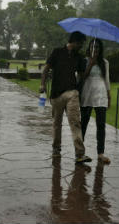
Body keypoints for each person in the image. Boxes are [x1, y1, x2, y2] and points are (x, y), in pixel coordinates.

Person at [40, 31, 92, 164]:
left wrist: (91, 63)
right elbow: (46, 69)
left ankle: (80, 154)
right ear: (74, 41)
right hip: (56, 94)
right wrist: (42, 85)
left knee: (75, 122)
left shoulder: (79, 57)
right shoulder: (57, 52)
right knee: (57, 124)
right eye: (81, 43)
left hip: (71, 93)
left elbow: (82, 76)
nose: (82, 46)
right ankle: (56, 149)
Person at [80, 39, 111, 164]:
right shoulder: (84, 61)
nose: (95, 49)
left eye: (97, 47)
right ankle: (80, 151)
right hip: (87, 94)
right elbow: (81, 77)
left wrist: (109, 97)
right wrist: (90, 64)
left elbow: (107, 80)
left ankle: (101, 153)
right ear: (89, 48)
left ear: (100, 49)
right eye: (93, 46)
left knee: (101, 125)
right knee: (84, 123)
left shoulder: (105, 62)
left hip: (101, 95)